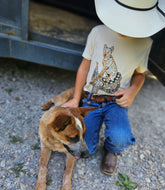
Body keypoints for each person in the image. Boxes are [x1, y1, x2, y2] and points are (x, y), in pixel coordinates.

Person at [62, 0, 165, 175]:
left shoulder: (144, 43)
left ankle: (112, 149)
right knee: (87, 148)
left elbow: (140, 74)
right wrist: (75, 98)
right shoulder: (98, 33)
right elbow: (84, 66)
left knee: (120, 138)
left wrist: (132, 91)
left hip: (115, 102)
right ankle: (96, 136)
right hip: (91, 99)